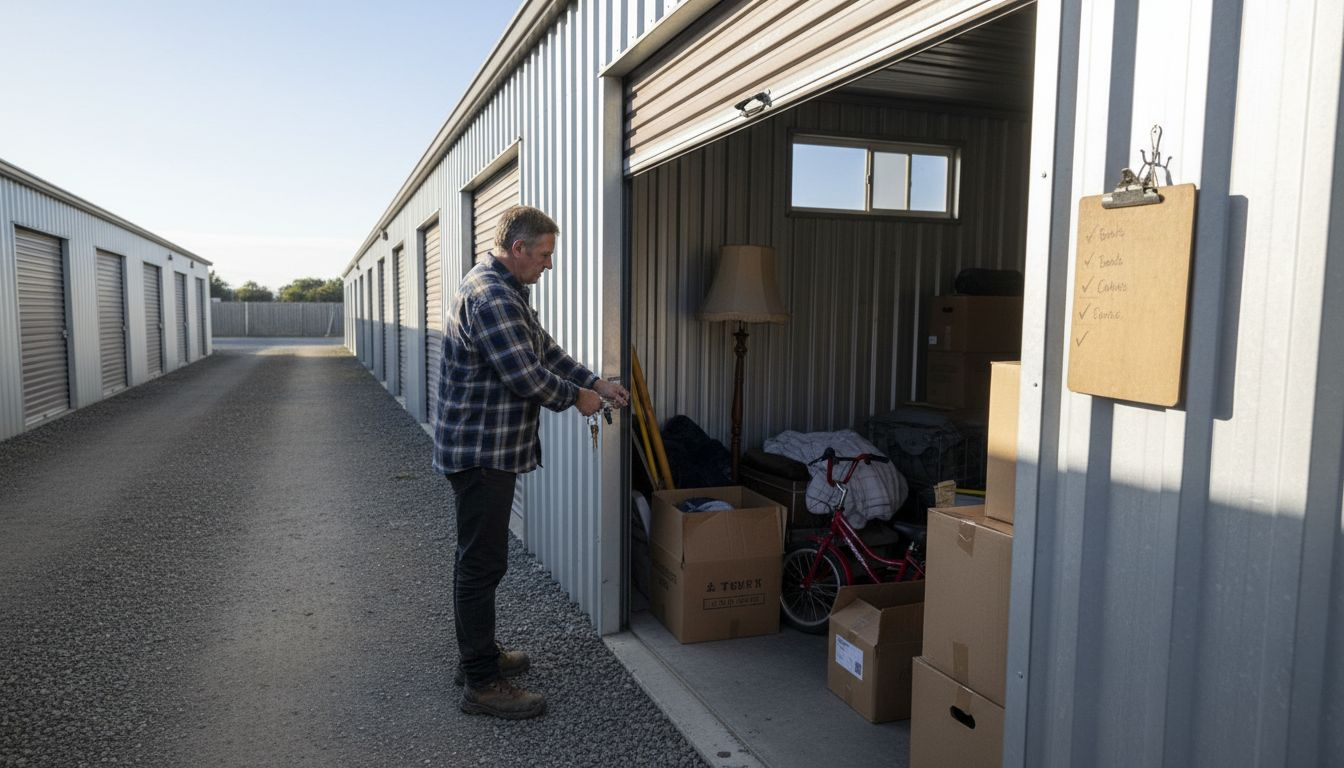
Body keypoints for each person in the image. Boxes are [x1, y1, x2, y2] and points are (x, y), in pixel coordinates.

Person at [433, 204, 630, 720]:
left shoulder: (505, 287)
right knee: (480, 563)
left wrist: (594, 381)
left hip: (488, 448)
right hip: (480, 452)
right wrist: (577, 398)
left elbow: (545, 350)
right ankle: (481, 682)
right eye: (543, 255)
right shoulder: (492, 295)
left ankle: (479, 656)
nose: (548, 264)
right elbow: (526, 376)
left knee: (479, 559)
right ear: (517, 249)